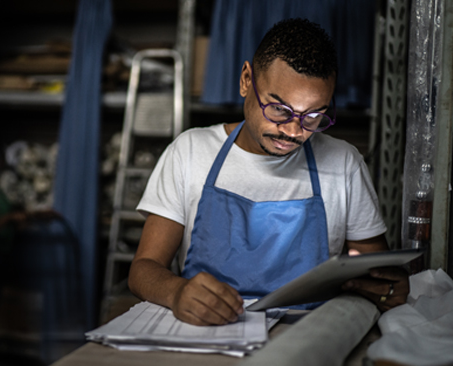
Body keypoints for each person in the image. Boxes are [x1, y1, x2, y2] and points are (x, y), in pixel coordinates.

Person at [127, 18, 409, 326]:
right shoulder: (190, 152)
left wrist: (387, 290)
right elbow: (144, 268)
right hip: (208, 329)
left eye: (313, 116)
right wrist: (177, 292)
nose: (292, 131)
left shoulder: (344, 163)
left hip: (306, 336)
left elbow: (376, 278)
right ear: (247, 80)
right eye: (279, 110)